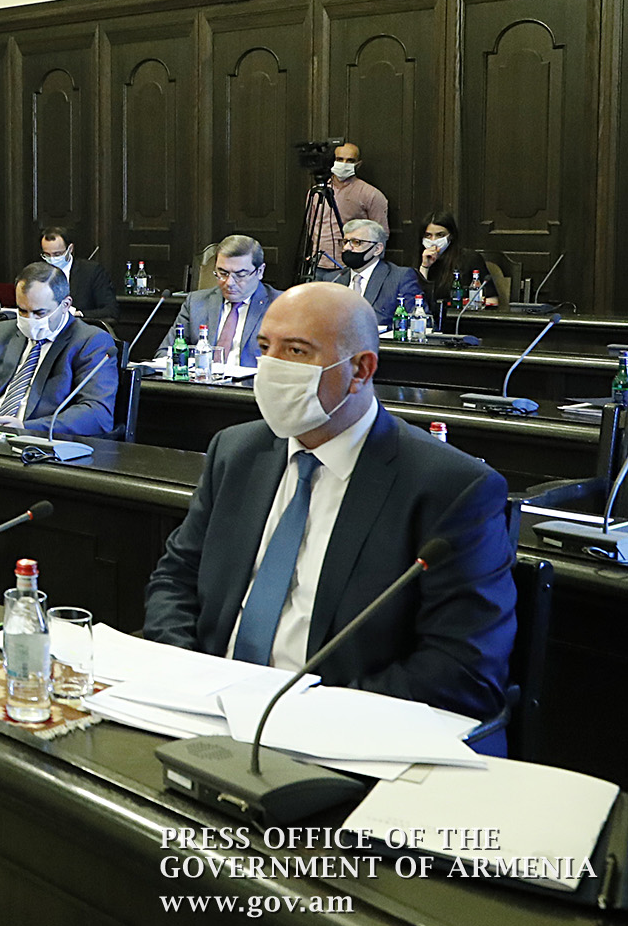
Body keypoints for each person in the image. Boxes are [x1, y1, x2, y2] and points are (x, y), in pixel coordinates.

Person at [142, 282, 516, 737]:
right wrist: (186, 674)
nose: (271, 367)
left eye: (296, 351)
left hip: (340, 731)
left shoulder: (450, 487)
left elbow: (462, 669)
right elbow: (176, 577)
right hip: (204, 709)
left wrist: (308, 718)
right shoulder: (236, 451)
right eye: (264, 347)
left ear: (360, 370)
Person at [0, 262, 116, 438]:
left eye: (39, 313)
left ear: (65, 305)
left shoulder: (91, 341)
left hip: (36, 439)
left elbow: (97, 414)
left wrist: (26, 427)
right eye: (22, 311)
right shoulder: (1, 333)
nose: (30, 320)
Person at [155, 235, 280, 369]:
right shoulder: (196, 302)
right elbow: (165, 353)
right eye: (223, 273)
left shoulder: (280, 306)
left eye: (240, 275)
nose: (229, 283)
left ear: (260, 271)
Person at [306, 142, 388, 279]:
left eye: (350, 161)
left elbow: (381, 235)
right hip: (318, 265)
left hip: (350, 267)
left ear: (358, 164)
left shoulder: (371, 194)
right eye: (339, 159)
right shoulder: (316, 193)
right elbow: (311, 227)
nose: (344, 164)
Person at [329, 218, 423, 328]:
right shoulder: (332, 280)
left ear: (377, 249)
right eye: (345, 242)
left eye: (356, 242)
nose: (346, 248)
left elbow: (418, 322)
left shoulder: (399, 278)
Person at [416, 211, 499, 312]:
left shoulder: (470, 258)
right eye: (428, 235)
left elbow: (492, 300)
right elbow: (415, 296)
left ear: (451, 236)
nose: (434, 240)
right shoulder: (419, 258)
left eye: (440, 235)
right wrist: (425, 267)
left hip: (462, 316)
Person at [38, 226, 117, 321]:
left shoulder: (91, 271)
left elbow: (110, 310)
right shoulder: (38, 272)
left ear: (70, 249)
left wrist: (78, 314)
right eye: (47, 255)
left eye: (57, 254)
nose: (52, 259)